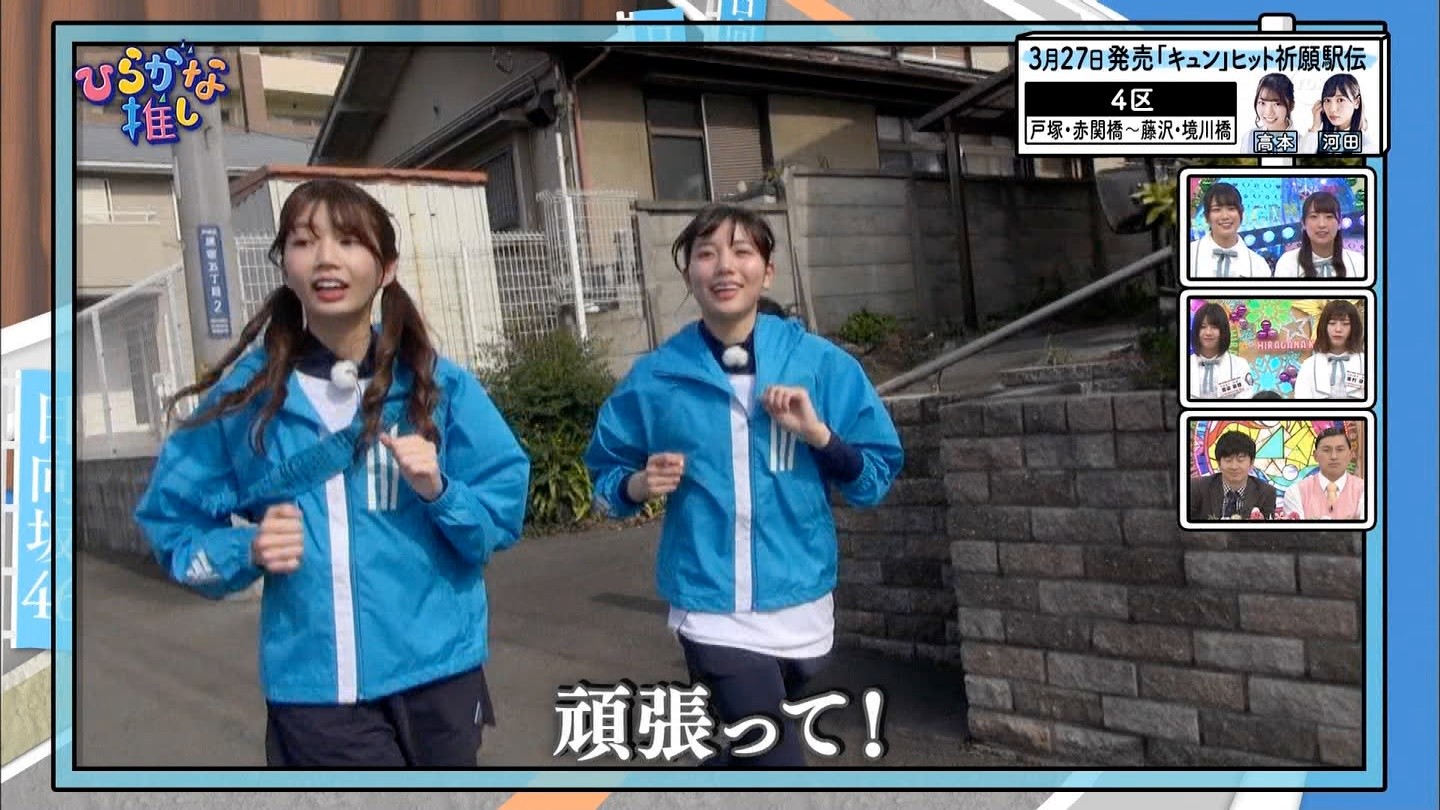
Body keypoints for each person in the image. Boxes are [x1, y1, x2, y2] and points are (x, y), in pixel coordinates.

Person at [134, 179, 531, 767]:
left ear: (387, 268)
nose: (325, 257)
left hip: (440, 675)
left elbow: (499, 514)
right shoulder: (248, 398)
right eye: (303, 241)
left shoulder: (437, 387)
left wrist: (440, 492)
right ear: (285, 266)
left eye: (348, 241)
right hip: (315, 692)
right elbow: (171, 522)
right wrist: (247, 549)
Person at [584, 204, 904, 767]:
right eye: (706, 254)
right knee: (775, 761)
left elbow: (873, 476)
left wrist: (819, 435)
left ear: (768, 271)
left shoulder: (819, 365)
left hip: (803, 599)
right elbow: (604, 478)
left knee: (739, 752)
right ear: (689, 273)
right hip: (711, 606)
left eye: (741, 252)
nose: (724, 267)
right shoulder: (657, 378)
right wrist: (637, 484)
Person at [1273, 191, 1365, 279]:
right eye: (1314, 217)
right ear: (1303, 223)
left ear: (1340, 222)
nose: (1322, 224)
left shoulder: (1357, 261)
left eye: (1329, 217)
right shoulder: (1288, 262)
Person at [1188, 431, 1278, 521]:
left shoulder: (1266, 493)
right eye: (1228, 460)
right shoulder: (1197, 488)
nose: (1234, 467)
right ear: (1219, 463)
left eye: (1240, 460)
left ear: (1251, 463)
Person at [1189, 182, 1269, 279]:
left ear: (1241, 213)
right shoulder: (1187, 255)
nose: (1225, 216)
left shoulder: (1258, 265)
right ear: (1206, 216)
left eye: (1231, 209)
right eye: (1217, 209)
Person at [1282, 427, 1365, 520]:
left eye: (1340, 450)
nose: (1334, 456)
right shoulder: (1295, 492)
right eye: (1326, 450)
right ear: (1315, 456)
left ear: (1350, 455)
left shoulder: (1365, 490)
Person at [1292, 299, 1366, 399]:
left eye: (1345, 323)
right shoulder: (1309, 365)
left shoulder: (1367, 363)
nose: (1338, 329)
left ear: (1354, 328)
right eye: (1332, 323)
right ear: (1323, 327)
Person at [1188, 302, 1255, 400]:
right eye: (1203, 327)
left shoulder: (1240, 365)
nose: (1208, 332)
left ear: (1223, 331)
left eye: (1214, 327)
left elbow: (1245, 398)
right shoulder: (1184, 365)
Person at [1301, 73, 1377, 154]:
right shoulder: (1318, 138)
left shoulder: (1366, 147)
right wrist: (1315, 127)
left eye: (1340, 100)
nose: (1332, 109)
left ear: (1357, 102)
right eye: (1327, 100)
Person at [1242, 73, 1296, 152]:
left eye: (1277, 104)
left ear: (1291, 105)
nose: (1268, 112)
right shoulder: (1249, 138)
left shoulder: (1302, 143)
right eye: (1262, 103)